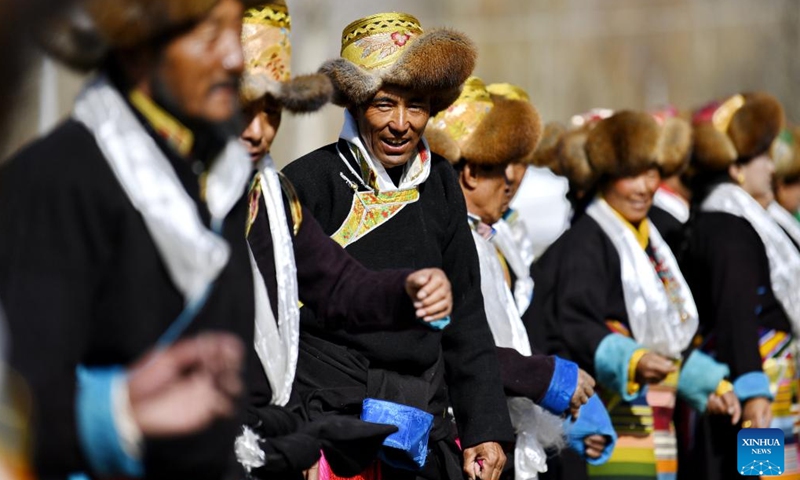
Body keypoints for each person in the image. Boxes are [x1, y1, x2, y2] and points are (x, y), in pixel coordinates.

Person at [0, 0, 281, 477]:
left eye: (236, 32)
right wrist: (116, 412)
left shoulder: (223, 179)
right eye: (209, 35)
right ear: (136, 47)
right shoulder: (58, 178)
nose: (236, 58)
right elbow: (21, 405)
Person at [283, 13, 514, 480]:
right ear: (353, 104)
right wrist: (298, 434)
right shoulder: (309, 183)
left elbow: (465, 317)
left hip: (423, 427)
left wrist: (484, 425)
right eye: (384, 104)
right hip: (332, 430)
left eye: (417, 106)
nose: (401, 124)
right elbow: (286, 326)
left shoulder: (442, 186)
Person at [233, 5, 453, 478]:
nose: (257, 130)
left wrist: (407, 290)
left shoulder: (271, 194)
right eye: (239, 109)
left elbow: (335, 286)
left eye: (270, 111)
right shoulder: (305, 182)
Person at [426, 76, 615, 480]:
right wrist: (546, 376)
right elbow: (459, 345)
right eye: (500, 168)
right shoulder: (448, 240)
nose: (512, 180)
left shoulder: (490, 236)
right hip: (463, 438)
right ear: (471, 173)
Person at [540, 111, 739, 480]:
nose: (646, 187)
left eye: (652, 173)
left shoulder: (651, 239)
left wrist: (707, 381)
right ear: (606, 176)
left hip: (656, 421)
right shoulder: (586, 242)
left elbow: (661, 334)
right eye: (631, 174)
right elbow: (572, 325)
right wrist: (629, 359)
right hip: (615, 418)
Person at [680, 93, 800, 480]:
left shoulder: (731, 219)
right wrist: (753, 389)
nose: (770, 167)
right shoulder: (730, 226)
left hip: (765, 379)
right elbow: (736, 313)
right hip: (758, 385)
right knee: (762, 475)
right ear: (735, 168)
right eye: (761, 157)